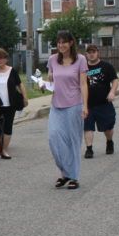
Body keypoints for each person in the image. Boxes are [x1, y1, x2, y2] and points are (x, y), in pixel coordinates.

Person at [42, 31, 88, 190]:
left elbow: (83, 84)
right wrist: (44, 86)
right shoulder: (53, 60)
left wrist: (85, 106)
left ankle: (72, 176)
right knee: (54, 139)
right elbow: (50, 80)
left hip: (74, 105)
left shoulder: (80, 60)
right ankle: (65, 171)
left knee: (73, 141)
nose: (61, 45)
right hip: (56, 105)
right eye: (58, 42)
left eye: (64, 42)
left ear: (71, 43)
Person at [0, 48, 28, 159]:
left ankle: (4, 150)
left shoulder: (12, 71)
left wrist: (25, 97)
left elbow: (20, 85)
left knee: (8, 127)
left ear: (6, 59)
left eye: (1, 58)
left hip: (11, 104)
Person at [83, 43, 118, 158]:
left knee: (107, 127)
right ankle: (89, 149)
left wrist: (112, 92)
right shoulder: (83, 69)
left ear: (98, 52)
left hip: (104, 103)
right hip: (88, 104)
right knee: (87, 127)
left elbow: (115, 81)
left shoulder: (106, 66)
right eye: (89, 52)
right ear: (86, 54)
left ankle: (109, 141)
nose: (91, 54)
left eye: (93, 52)